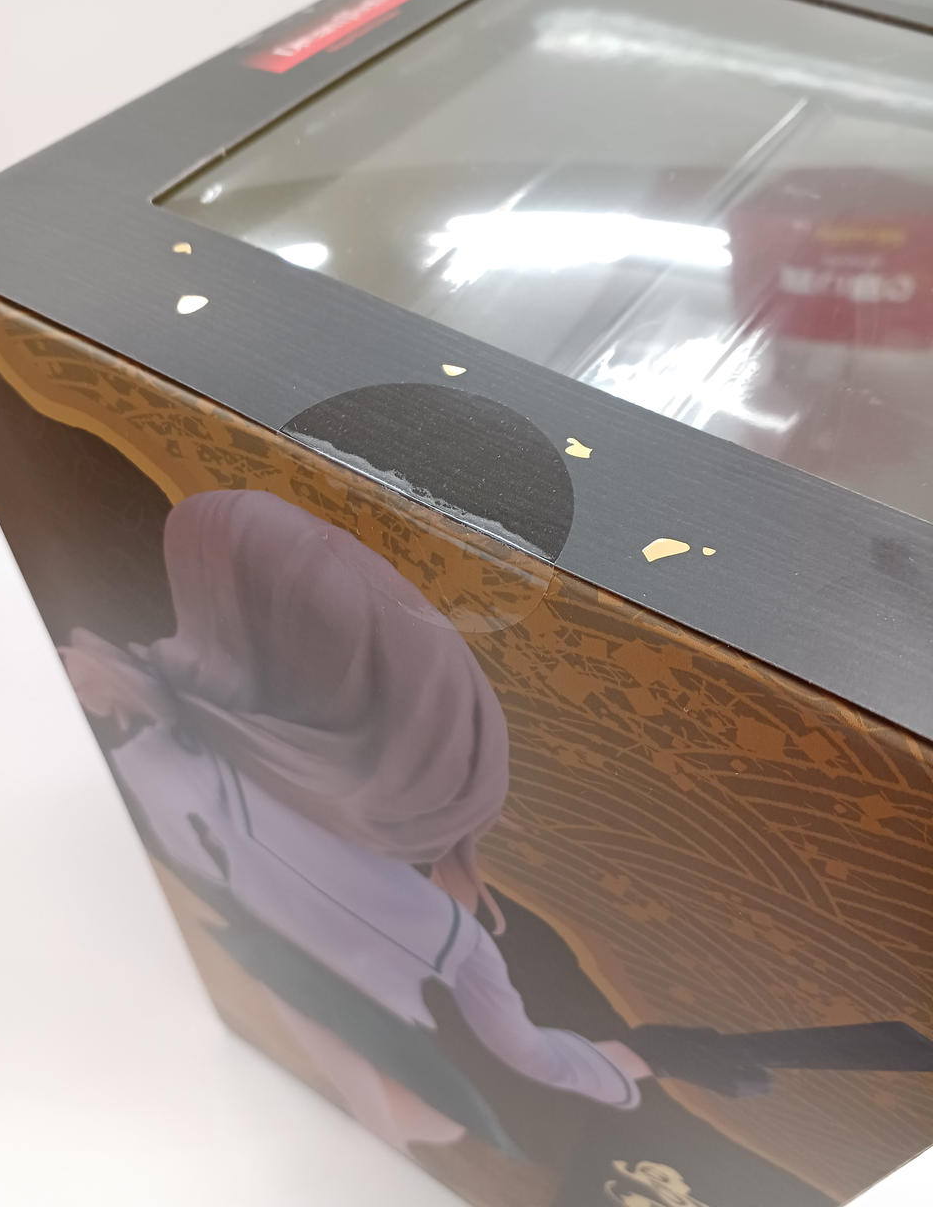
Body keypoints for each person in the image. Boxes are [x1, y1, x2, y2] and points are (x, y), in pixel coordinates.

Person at [61, 489, 650, 1153]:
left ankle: (621, 1071)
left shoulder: (216, 743)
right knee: (422, 1099)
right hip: (314, 943)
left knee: (469, 1083)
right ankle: (614, 1072)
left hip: (382, 944)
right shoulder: (186, 742)